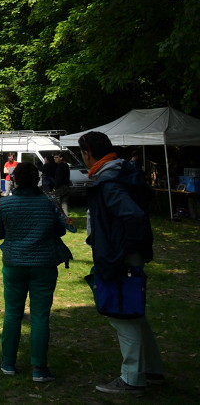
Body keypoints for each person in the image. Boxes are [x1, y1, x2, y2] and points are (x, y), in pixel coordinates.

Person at [78, 131, 164, 394]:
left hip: (120, 256)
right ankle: (151, 371)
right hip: (123, 253)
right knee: (134, 315)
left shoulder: (109, 179)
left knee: (123, 315)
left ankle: (132, 379)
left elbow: (133, 216)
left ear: (88, 152)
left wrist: (120, 252)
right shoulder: (120, 170)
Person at [0, 162, 72, 383]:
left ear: (15, 180)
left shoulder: (5, 204)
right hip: (44, 265)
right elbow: (60, 229)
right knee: (39, 316)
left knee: (12, 313)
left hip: (14, 264)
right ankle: (38, 367)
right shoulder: (49, 203)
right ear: (36, 180)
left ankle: (8, 362)